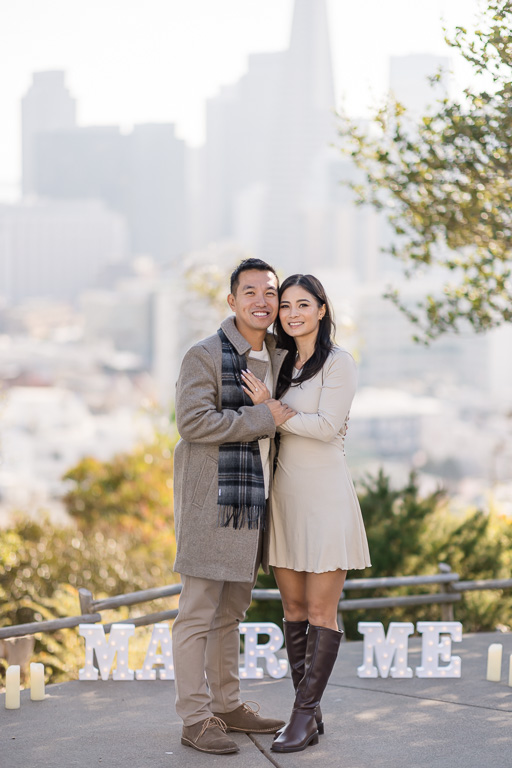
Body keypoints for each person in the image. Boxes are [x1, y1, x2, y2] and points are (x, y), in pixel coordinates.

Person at [241, 273, 371, 754]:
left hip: (326, 497)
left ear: (321, 309)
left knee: (321, 611)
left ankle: (299, 718)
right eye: (287, 305)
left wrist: (272, 410)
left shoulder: (339, 363)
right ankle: (310, 711)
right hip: (284, 498)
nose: (292, 313)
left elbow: (326, 426)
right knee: (293, 609)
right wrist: (272, 408)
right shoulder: (278, 363)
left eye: (303, 304)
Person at [172, 258, 296, 755]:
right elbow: (194, 424)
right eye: (250, 292)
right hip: (211, 503)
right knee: (197, 611)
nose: (262, 301)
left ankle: (227, 704)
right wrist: (260, 416)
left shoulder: (282, 358)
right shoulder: (203, 355)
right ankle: (194, 717)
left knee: (231, 612)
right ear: (232, 301)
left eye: (271, 292)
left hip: (253, 503)